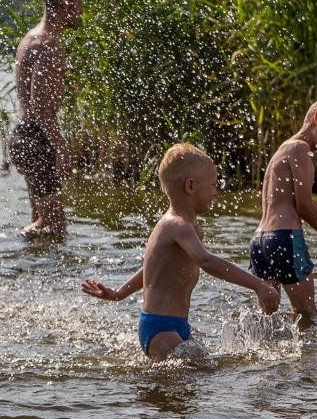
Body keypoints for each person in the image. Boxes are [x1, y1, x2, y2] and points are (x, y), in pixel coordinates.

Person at [82, 143, 280, 361]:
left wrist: (119, 293)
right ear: (190, 186)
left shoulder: (187, 226)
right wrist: (258, 285)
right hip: (160, 327)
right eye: (213, 185)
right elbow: (206, 261)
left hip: (177, 324)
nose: (216, 191)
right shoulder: (177, 225)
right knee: (187, 380)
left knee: (195, 381)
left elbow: (152, 267)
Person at [249, 94, 317, 321]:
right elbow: (305, 206)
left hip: (260, 242)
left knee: (267, 319)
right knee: (307, 315)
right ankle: (308, 357)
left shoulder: (283, 149)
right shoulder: (302, 150)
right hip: (285, 239)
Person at [9, 0, 83, 239]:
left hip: (24, 135)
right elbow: (41, 108)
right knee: (54, 226)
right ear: (63, 5)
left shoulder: (30, 38)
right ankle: (8, 245)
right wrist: (61, 148)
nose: (80, 11)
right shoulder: (48, 44)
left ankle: (33, 267)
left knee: (42, 221)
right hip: (36, 138)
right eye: (77, 4)